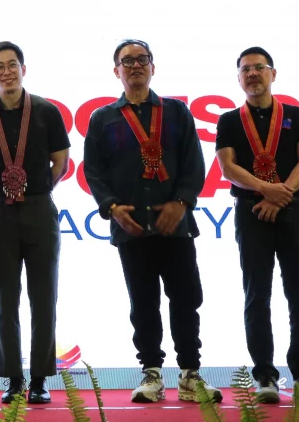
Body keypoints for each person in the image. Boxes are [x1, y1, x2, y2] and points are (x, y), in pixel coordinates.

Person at [83, 39, 222, 404]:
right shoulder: (102, 118)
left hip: (175, 225)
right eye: (127, 61)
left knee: (186, 299)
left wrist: (182, 203)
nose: (135, 65)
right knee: (143, 304)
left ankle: (190, 374)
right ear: (116, 71)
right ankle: (152, 374)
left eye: (142, 59)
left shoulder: (176, 112)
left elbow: (194, 163)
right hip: (130, 227)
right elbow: (93, 172)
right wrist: (113, 209)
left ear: (153, 67)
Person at [215, 48, 299, 404]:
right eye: (245, 69)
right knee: (256, 295)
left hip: (294, 211)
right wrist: (267, 190)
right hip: (251, 214)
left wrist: (281, 194)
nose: (253, 74)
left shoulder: (295, 115)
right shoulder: (229, 120)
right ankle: (264, 376)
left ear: (273, 74)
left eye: (259, 67)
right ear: (238, 78)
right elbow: (228, 167)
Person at [0, 41, 69, 404]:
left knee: (44, 296)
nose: (7, 72)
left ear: (23, 69)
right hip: (0, 212)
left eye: (12, 65)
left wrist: (36, 189)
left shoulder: (46, 111)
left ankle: (40, 379)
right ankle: (13, 379)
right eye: (0, 66)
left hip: (40, 208)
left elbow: (61, 162)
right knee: (4, 297)